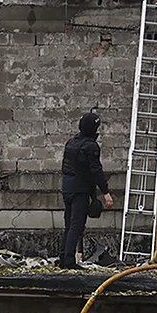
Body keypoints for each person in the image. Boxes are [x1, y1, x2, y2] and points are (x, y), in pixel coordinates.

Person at [59, 111, 114, 269]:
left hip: (67, 187)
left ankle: (63, 258)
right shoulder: (90, 146)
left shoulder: (71, 142)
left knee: (69, 225)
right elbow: (96, 171)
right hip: (79, 190)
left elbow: (67, 166)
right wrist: (105, 192)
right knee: (77, 225)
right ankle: (69, 261)